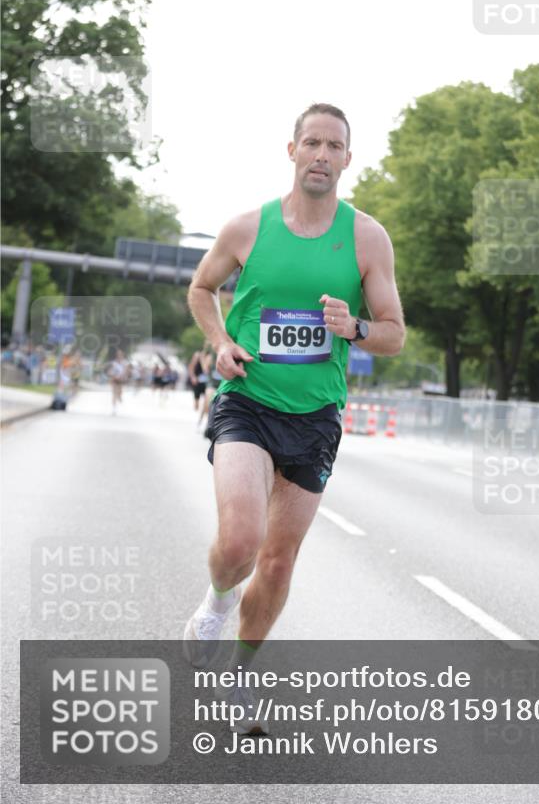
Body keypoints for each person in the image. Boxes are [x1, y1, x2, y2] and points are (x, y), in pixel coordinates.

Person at [183, 103, 405, 720]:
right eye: (312, 143)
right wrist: (221, 342)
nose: (322, 155)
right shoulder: (247, 228)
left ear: (346, 160)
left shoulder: (367, 238)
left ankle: (241, 674)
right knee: (240, 544)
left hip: (315, 420)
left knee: (278, 563)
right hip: (247, 402)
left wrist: (355, 326)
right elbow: (201, 288)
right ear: (292, 151)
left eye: (334, 146)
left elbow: (394, 333)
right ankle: (214, 606)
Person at [106, 349, 129, 415]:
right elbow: (110, 371)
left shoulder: (125, 363)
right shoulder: (114, 363)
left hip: (121, 380)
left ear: (122, 355)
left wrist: (123, 376)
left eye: (121, 354)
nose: (119, 356)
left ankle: (119, 397)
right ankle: (114, 409)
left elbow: (126, 371)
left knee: (119, 393)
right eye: (118, 354)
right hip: (114, 379)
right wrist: (112, 375)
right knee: (114, 394)